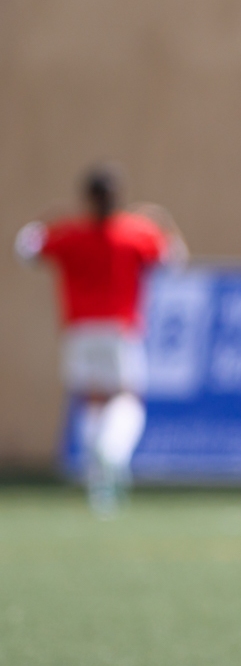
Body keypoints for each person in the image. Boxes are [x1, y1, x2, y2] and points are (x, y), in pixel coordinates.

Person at [13, 165, 183, 515]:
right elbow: (173, 261)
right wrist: (164, 224)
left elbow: (26, 250)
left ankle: (99, 484)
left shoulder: (70, 234)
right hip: (119, 329)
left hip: (79, 331)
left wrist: (42, 223)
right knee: (127, 398)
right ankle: (112, 452)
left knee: (91, 402)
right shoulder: (135, 232)